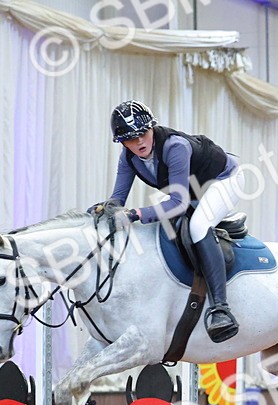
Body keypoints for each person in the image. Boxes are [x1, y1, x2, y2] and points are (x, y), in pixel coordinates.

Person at [96, 101, 240, 343]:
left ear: (152, 128)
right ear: (122, 142)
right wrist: (104, 210)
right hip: (191, 188)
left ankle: (221, 309)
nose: (139, 142)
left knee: (198, 227)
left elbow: (178, 203)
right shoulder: (128, 157)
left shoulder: (175, 147)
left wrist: (136, 214)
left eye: (143, 134)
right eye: (130, 139)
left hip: (222, 180)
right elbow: (118, 198)